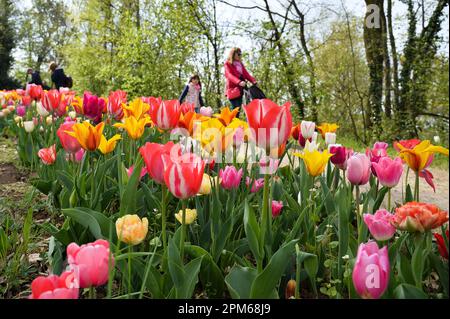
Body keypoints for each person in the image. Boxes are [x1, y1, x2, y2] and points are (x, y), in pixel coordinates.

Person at [224, 47, 257, 116]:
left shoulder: (240, 64)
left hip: (240, 90)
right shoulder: (228, 64)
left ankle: (234, 124)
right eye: (238, 54)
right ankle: (230, 124)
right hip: (232, 89)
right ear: (233, 55)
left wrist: (253, 81)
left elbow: (246, 74)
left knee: (238, 109)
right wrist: (238, 82)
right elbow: (229, 75)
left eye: (240, 54)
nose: (239, 55)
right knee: (235, 108)